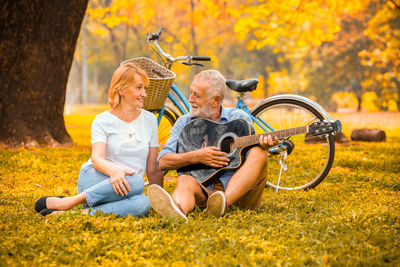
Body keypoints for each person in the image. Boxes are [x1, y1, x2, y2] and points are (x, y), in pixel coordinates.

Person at [35, 63, 163, 217]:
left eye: (145, 88)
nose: (144, 94)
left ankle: (78, 214)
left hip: (126, 190)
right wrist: (114, 171)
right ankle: (68, 203)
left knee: (144, 203)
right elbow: (96, 159)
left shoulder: (149, 120)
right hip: (95, 180)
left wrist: (160, 200)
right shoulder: (102, 120)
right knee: (137, 181)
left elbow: (153, 169)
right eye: (139, 87)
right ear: (121, 89)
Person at [148, 70, 277, 221]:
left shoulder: (238, 119)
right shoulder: (184, 122)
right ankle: (177, 211)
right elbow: (162, 161)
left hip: (239, 195)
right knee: (185, 180)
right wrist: (197, 156)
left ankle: (223, 205)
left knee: (258, 152)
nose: (190, 99)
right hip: (204, 193)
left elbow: (252, 161)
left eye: (197, 95)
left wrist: (265, 145)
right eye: (191, 93)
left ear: (216, 100)